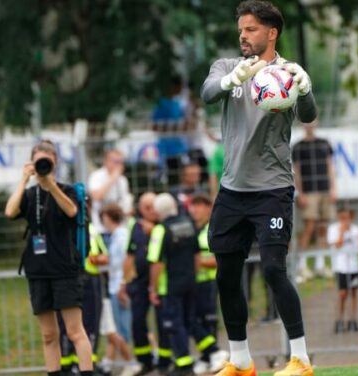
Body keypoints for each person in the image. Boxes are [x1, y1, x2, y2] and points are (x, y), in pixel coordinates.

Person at [200, 0, 317, 374]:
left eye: (250, 29)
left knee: (273, 270)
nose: (243, 36)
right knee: (227, 275)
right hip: (232, 192)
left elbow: (309, 115)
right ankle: (240, 362)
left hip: (272, 190)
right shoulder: (226, 68)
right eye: (240, 30)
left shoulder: (288, 74)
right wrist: (232, 81)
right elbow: (207, 93)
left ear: (271, 32)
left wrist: (306, 89)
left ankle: (300, 359)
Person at [4, 140, 94, 376]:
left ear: (56, 162)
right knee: (48, 335)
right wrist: (24, 179)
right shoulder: (30, 194)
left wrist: (50, 184)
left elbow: (72, 211)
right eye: (39, 159)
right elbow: (10, 211)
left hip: (64, 269)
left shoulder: (67, 190)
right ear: (32, 162)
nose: (43, 163)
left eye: (48, 159)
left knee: (75, 332)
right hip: (38, 270)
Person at [147, 193, 201, 376]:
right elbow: (197, 254)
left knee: (173, 323)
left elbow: (156, 262)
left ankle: (184, 364)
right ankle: (185, 361)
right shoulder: (188, 223)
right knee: (187, 321)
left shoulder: (160, 229)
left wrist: (152, 288)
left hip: (170, 285)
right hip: (190, 280)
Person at [121, 192, 174, 374]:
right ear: (140, 209)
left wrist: (154, 231)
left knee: (163, 323)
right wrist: (123, 281)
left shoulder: (165, 226)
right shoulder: (134, 227)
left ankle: (165, 360)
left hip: (160, 283)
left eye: (154, 206)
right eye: (147, 208)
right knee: (137, 321)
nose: (151, 211)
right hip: (139, 283)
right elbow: (129, 254)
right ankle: (145, 360)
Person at [59, 220, 107, 374]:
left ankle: (87, 365)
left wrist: (96, 259)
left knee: (90, 323)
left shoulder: (92, 229)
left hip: (90, 280)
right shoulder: (61, 227)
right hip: (69, 279)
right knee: (67, 324)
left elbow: (104, 256)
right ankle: (67, 364)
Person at [189, 193, 230, 374]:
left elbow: (217, 259)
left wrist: (197, 263)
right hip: (195, 282)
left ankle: (214, 354)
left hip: (208, 281)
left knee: (208, 319)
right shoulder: (193, 229)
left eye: (199, 205)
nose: (195, 210)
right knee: (196, 319)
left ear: (208, 208)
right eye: (193, 206)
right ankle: (208, 355)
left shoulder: (211, 229)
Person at [293, 121, 337, 280]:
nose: (309, 125)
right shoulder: (298, 146)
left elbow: (330, 166)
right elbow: (296, 171)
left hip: (325, 189)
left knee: (323, 227)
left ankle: (321, 264)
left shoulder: (324, 143)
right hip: (309, 191)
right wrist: (301, 193)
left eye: (312, 121)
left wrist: (333, 188)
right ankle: (302, 265)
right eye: (306, 122)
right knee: (309, 226)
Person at [99, 204, 135, 375]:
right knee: (116, 328)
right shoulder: (116, 236)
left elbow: (126, 262)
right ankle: (108, 361)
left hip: (119, 286)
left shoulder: (121, 236)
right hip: (115, 285)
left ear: (108, 217)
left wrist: (122, 284)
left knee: (119, 329)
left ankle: (131, 363)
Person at [327, 208, 358, 333]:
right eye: (343, 218)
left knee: (354, 293)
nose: (345, 221)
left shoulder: (356, 230)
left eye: (348, 218)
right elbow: (336, 245)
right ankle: (339, 319)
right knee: (342, 294)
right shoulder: (333, 229)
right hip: (340, 267)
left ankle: (353, 319)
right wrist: (342, 232)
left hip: (354, 267)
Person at [88, 149, 133, 233]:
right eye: (116, 162)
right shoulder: (96, 176)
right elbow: (96, 196)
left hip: (120, 227)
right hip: (101, 227)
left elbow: (124, 200)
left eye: (121, 162)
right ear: (106, 161)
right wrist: (113, 178)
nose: (119, 165)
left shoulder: (122, 180)